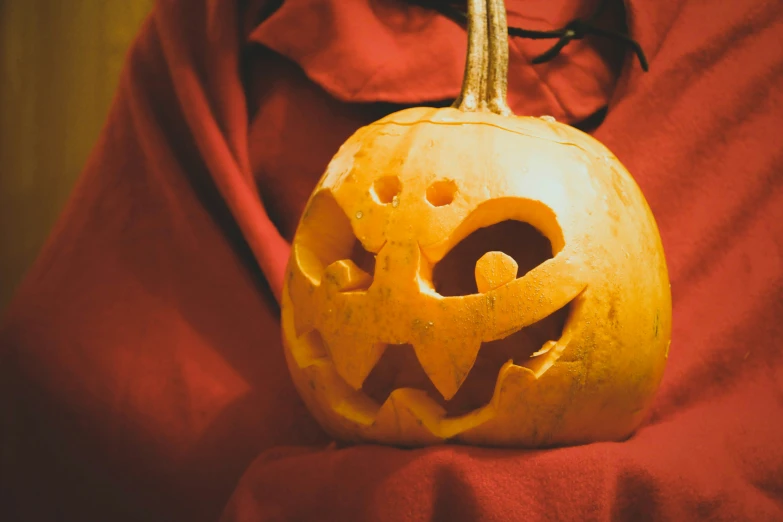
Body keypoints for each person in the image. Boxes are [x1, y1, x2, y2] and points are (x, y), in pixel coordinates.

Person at [1, 0, 781, 520]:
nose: (407, 305)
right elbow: (90, 378)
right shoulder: (220, 29)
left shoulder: (741, 39)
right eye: (366, 262)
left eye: (487, 264)